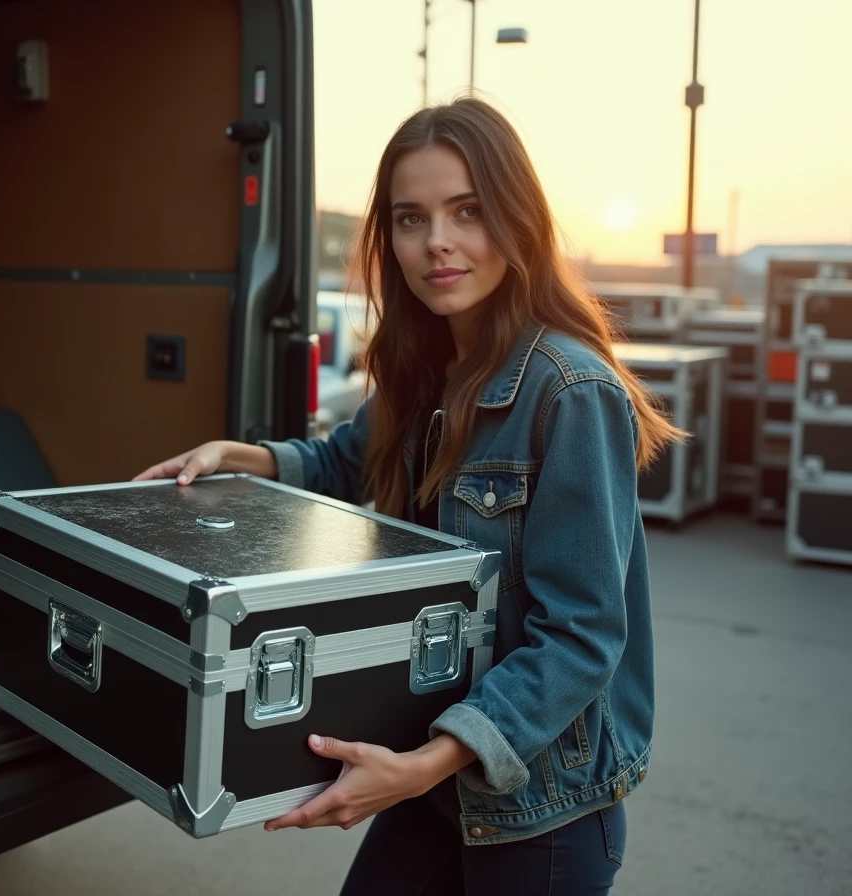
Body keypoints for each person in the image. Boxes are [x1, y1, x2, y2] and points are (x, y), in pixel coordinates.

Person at [133, 95, 680, 895]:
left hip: (537, 804)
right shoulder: (423, 373)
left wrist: (422, 766)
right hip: (432, 774)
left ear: (518, 218)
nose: (437, 243)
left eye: (467, 210)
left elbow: (581, 638)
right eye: (410, 219)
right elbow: (341, 463)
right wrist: (238, 456)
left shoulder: (569, 392)